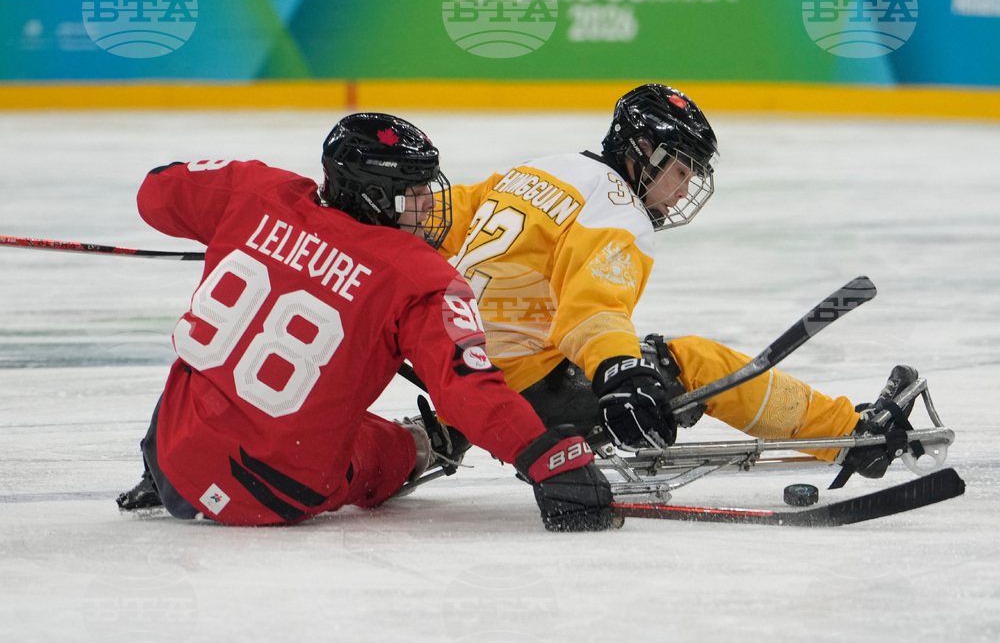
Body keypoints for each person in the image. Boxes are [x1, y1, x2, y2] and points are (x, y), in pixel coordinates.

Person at [117, 113, 613, 531]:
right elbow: (470, 388)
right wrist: (544, 457)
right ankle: (427, 445)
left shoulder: (256, 194)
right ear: (376, 196)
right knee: (387, 447)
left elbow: (153, 192)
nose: (428, 206)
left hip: (175, 454)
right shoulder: (419, 276)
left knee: (203, 371)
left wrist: (243, 227)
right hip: (274, 492)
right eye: (415, 194)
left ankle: (152, 468)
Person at [437, 84, 919, 484]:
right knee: (690, 363)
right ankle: (851, 436)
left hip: (450, 363)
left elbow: (447, 218)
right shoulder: (617, 213)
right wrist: (620, 374)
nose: (685, 190)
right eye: (681, 170)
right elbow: (592, 310)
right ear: (643, 151)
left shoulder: (539, 169)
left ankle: (443, 433)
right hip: (520, 387)